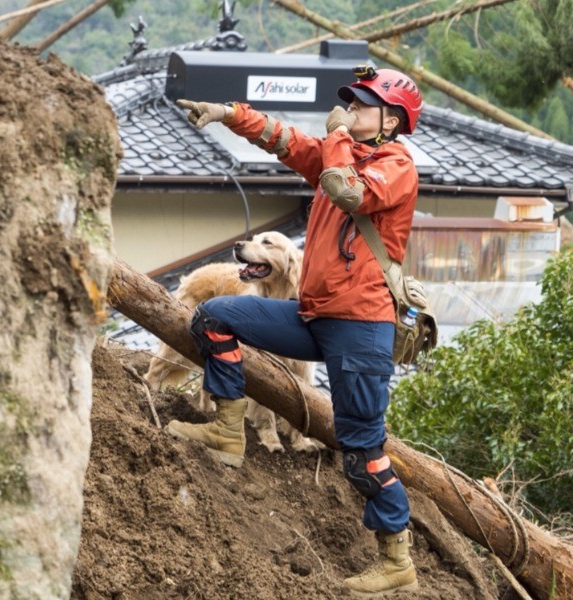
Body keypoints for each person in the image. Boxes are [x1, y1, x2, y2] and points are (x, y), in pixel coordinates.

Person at [167, 64, 423, 596]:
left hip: (361, 328)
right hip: (313, 316)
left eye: (363, 104)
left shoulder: (397, 166)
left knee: (361, 452)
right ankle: (228, 432)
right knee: (214, 316)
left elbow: (349, 192)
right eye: (350, 102)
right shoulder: (339, 154)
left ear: (391, 122)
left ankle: (396, 559)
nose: (350, 109)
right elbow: (283, 139)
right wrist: (228, 113)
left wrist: (337, 137)